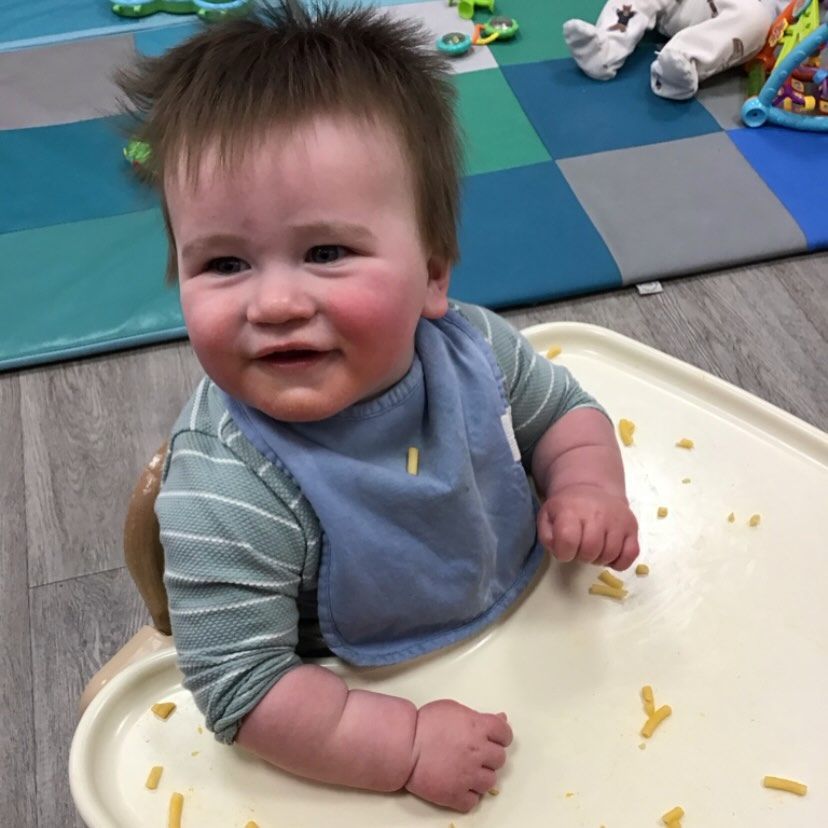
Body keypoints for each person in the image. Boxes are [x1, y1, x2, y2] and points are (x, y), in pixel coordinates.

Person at [117, 0, 639, 813]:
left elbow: (567, 416)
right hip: (358, 692)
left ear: (433, 274)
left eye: (326, 252)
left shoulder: (475, 352)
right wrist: (403, 745)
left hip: (538, 623)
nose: (276, 301)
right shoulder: (228, 491)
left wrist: (587, 486)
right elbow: (242, 689)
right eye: (223, 263)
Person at [564, 0, 783, 100]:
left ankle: (682, 62)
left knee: (754, 18)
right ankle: (606, 48)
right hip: (691, 6)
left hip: (745, 14)